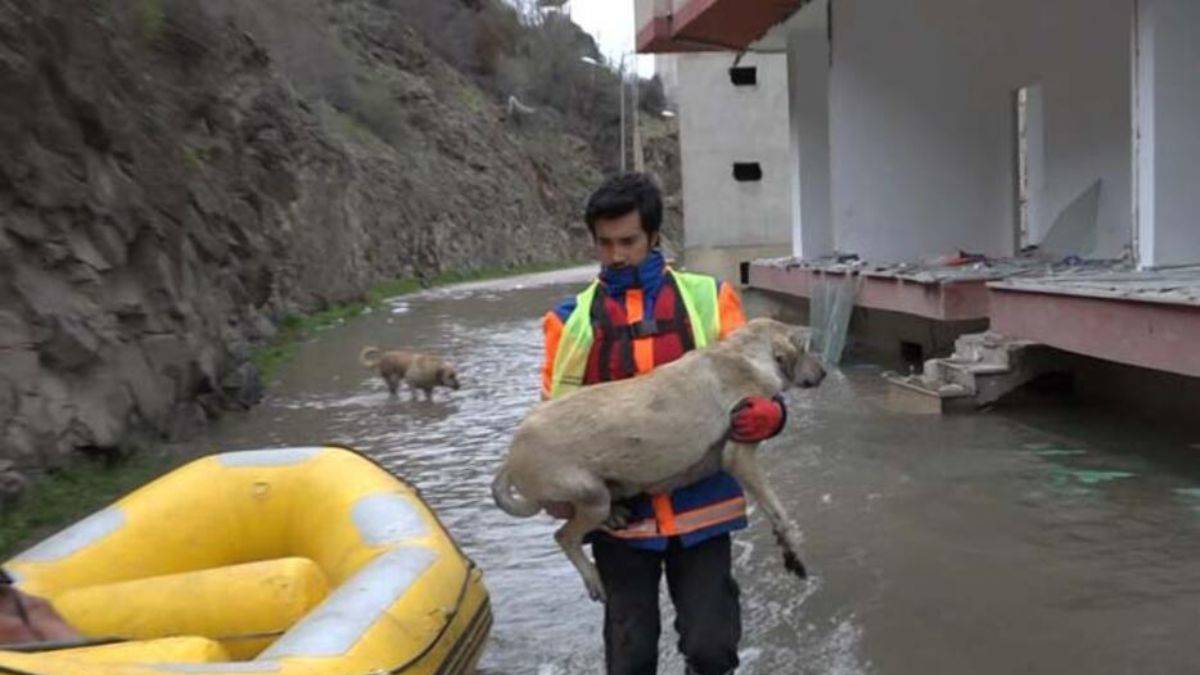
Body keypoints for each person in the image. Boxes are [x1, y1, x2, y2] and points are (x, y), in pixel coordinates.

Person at [540, 173, 787, 675]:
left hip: (703, 510)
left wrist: (773, 415)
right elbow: (552, 425)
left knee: (712, 650)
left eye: (628, 241)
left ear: (654, 237)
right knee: (630, 660)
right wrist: (560, 493)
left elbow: (759, 379)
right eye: (605, 243)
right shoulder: (568, 321)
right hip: (621, 521)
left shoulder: (710, 298)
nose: (615, 255)